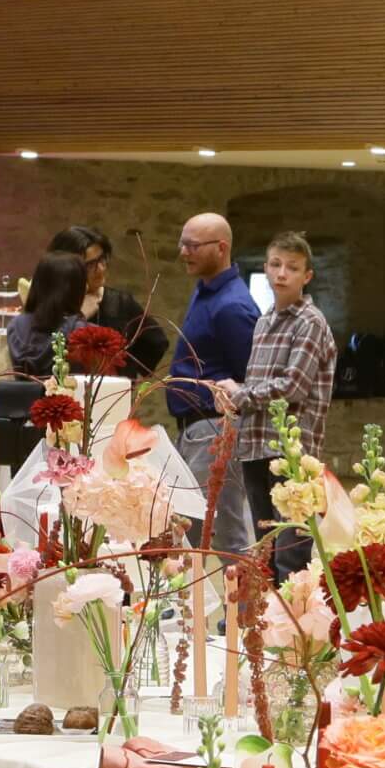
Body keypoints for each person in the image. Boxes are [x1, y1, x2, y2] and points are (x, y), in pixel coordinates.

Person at [231, 231, 338, 583]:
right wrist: (235, 397)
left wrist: (241, 395)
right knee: (265, 543)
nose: (282, 273)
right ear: (265, 268)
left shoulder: (310, 322)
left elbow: (293, 387)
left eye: (292, 268)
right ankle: (266, 622)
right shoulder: (264, 321)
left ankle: (295, 628)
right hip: (255, 442)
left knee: (292, 550)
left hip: (292, 451)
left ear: (307, 276)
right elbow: (258, 382)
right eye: (275, 265)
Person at [166, 211, 258, 559]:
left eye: (192, 245)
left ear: (221, 248)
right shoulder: (206, 290)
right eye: (182, 243)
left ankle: (246, 614)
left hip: (215, 429)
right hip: (196, 428)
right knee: (192, 529)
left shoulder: (232, 306)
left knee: (225, 535)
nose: (183, 252)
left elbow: (249, 380)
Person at [48, 226, 167, 378]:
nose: (101, 269)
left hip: (112, 396)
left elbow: (156, 342)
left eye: (102, 259)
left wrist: (126, 373)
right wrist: (80, 316)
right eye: (90, 264)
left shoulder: (120, 302)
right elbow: (43, 353)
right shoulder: (51, 302)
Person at [8, 252, 88, 376]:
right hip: (65, 395)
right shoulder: (80, 332)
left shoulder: (16, 324)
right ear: (76, 289)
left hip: (21, 395)